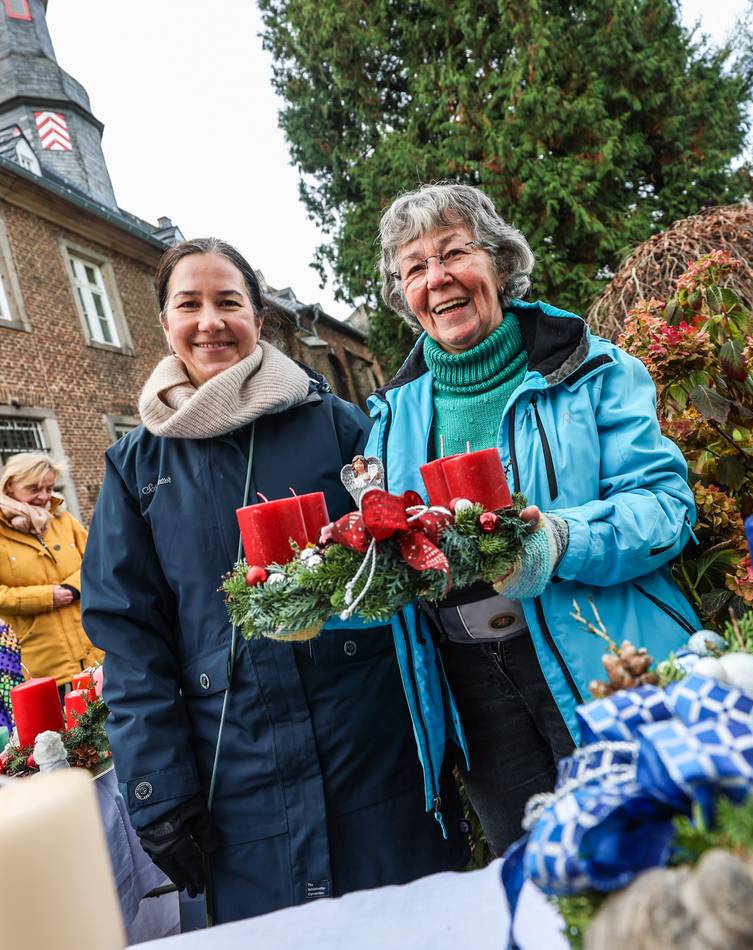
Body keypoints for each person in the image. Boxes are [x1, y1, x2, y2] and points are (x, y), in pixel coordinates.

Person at [81, 238, 466, 925]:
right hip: (238, 780)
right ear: (164, 324)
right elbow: (130, 638)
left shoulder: (339, 427)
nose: (210, 321)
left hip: (372, 755)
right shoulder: (136, 466)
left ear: (257, 317)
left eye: (229, 301)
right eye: (188, 304)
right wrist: (157, 790)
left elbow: (405, 555)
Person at [365, 182, 700, 855]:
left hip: (602, 658)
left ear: (498, 261)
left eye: (454, 252)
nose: (437, 280)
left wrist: (560, 538)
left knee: (653, 862)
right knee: (541, 876)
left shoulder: (592, 369)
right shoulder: (389, 418)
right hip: (471, 691)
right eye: (414, 268)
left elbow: (666, 508)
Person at [0, 452, 102, 695]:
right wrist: (47, 597)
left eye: (49, 487)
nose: (44, 496)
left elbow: (97, 561)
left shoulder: (63, 520)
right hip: (38, 667)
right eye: (34, 488)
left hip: (93, 655)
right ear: (10, 485)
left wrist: (71, 589)